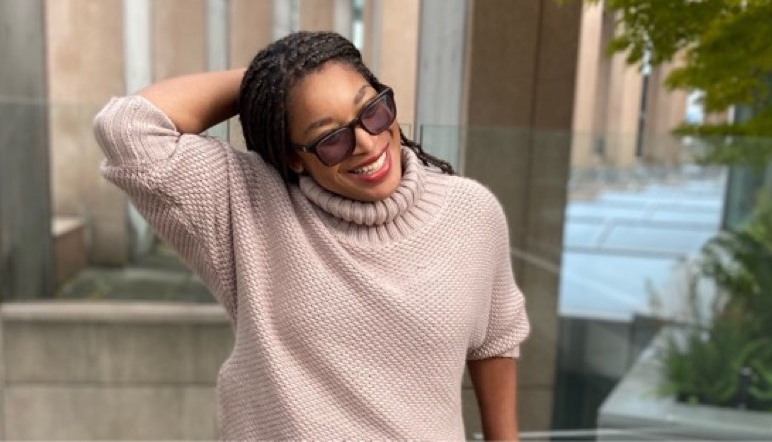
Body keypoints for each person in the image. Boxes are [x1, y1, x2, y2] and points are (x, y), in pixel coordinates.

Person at [94, 31, 529, 441]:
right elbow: (128, 129)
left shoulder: (471, 212)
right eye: (330, 139)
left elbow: (495, 338)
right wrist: (275, 80)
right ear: (294, 158)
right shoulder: (250, 204)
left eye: (373, 110)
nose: (366, 141)